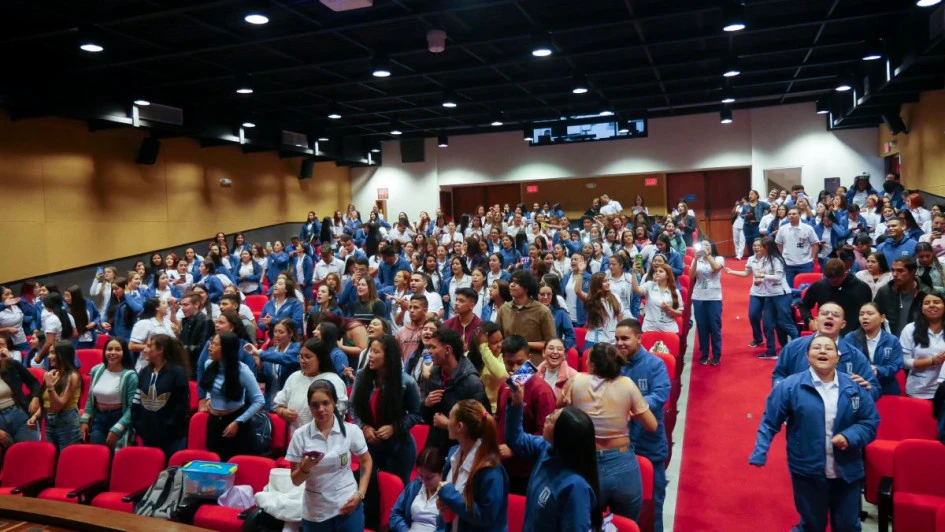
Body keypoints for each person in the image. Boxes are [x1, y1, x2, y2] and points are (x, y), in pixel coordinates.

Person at [750, 335, 879, 532]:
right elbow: (770, 421)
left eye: (829, 348)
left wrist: (849, 436)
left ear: (838, 357)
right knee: (812, 525)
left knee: (848, 526)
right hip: (807, 469)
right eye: (817, 347)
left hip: (847, 470)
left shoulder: (854, 387)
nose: (822, 351)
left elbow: (870, 421)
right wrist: (760, 451)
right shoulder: (790, 386)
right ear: (807, 356)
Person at [565, 343, 657, 521]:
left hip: (586, 462)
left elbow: (561, 407)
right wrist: (631, 413)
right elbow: (652, 425)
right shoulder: (627, 384)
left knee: (583, 524)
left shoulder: (577, 380)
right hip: (622, 465)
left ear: (592, 365)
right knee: (627, 526)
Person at [505, 381, 602, 531]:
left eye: (551, 420)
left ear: (562, 435)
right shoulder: (546, 449)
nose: (546, 418)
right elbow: (515, 439)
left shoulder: (576, 488)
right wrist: (516, 404)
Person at [287, 380, 373, 532]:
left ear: (334, 403)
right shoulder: (300, 435)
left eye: (325, 403)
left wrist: (360, 494)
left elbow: (366, 461)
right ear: (309, 407)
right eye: (315, 405)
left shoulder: (351, 431)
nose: (321, 409)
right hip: (316, 513)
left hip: (348, 505)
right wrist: (305, 469)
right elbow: (295, 481)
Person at [615, 318, 671, 532]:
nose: (619, 343)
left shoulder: (655, 364)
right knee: (623, 507)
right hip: (619, 447)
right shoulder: (614, 364)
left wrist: (634, 405)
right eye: (617, 339)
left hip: (649, 446)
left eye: (625, 338)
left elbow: (660, 395)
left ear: (639, 338)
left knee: (652, 506)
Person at [350, 334, 422, 484]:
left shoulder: (406, 382)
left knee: (396, 489)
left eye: (376, 352)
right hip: (370, 444)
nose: (370, 355)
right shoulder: (362, 376)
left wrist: (394, 428)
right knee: (371, 489)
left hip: (399, 447)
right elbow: (353, 407)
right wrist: (363, 426)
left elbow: (416, 413)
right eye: (370, 350)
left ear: (388, 356)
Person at [772, 303, 881, 400]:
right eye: (824, 313)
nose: (829, 316)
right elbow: (779, 375)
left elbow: (874, 388)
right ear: (816, 320)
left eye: (836, 315)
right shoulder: (794, 347)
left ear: (843, 324)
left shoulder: (855, 355)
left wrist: (865, 391)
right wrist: (783, 391)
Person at [493, 335, 556, 494]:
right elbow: (498, 419)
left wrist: (513, 449)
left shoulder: (542, 391)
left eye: (519, 363)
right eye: (509, 363)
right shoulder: (504, 386)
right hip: (501, 466)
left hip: (527, 471)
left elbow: (546, 436)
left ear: (529, 359)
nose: (514, 369)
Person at [435, 399, 510, 532]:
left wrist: (451, 496)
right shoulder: (453, 454)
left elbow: (486, 516)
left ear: (459, 426)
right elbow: (451, 504)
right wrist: (444, 503)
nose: (447, 420)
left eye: (450, 417)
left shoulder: (490, 468)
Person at [420, 327, 489, 455]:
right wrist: (426, 404)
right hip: (435, 448)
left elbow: (480, 426)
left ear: (447, 350)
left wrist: (448, 425)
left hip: (460, 451)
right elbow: (425, 417)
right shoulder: (434, 375)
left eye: (433, 347)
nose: (429, 351)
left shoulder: (472, 384)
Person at [199, 332, 265, 460]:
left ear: (226, 349)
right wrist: (209, 397)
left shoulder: (242, 370)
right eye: (211, 343)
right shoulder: (209, 364)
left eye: (214, 345)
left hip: (236, 421)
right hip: (214, 421)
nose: (210, 348)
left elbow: (259, 400)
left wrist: (238, 422)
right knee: (215, 461)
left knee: (236, 462)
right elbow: (209, 383)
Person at [273, 338, 348, 434]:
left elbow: (340, 412)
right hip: (298, 437)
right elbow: (278, 405)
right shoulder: (294, 377)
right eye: (300, 357)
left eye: (308, 357)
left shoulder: (333, 380)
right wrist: (283, 412)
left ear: (320, 358)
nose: (302, 361)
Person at [133, 335, 190, 460]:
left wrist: (169, 425)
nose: (145, 350)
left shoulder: (177, 373)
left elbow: (181, 405)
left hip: (171, 436)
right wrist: (139, 425)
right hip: (147, 433)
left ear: (160, 350)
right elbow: (137, 400)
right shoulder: (145, 371)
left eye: (149, 346)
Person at [79, 337, 137, 448]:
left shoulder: (130, 376)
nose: (112, 353)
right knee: (97, 454)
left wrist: (117, 429)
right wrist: (85, 419)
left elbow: (131, 408)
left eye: (117, 349)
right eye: (109, 349)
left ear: (124, 352)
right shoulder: (96, 370)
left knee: (116, 456)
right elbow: (91, 398)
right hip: (99, 419)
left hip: (119, 418)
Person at [29, 341, 82, 451]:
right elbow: (46, 402)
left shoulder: (73, 376)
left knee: (66, 456)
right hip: (50, 422)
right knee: (51, 455)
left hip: (67, 423)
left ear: (63, 355)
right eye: (49, 353)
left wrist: (50, 386)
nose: (49, 356)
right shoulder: (52, 374)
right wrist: (35, 416)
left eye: (53, 353)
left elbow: (58, 406)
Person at [843, 303, 903, 396]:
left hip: (887, 389)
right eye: (861, 314)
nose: (864, 317)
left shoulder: (892, 340)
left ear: (882, 318)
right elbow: (844, 363)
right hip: (858, 389)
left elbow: (896, 365)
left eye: (870, 314)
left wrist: (878, 370)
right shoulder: (850, 338)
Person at [799, 259, 872, 335]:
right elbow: (803, 305)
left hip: (853, 334)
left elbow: (867, 312)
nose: (832, 283)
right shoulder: (819, 286)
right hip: (825, 332)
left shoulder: (861, 288)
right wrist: (809, 320)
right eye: (829, 280)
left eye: (836, 281)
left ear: (845, 273)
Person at [496, 271, 557, 357]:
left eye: (517, 282)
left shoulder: (542, 311)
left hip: (533, 360)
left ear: (526, 288)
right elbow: (498, 338)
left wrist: (522, 344)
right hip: (508, 359)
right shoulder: (504, 309)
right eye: (511, 282)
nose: (512, 285)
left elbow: (551, 343)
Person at [899, 292, 945, 399]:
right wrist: (932, 361)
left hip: (943, 391)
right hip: (919, 390)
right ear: (922, 309)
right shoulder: (910, 329)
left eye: (936, 302)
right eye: (927, 303)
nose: (931, 305)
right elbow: (903, 362)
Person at [389, 447, 444, 532]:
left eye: (429, 478)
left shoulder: (447, 495)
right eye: (421, 476)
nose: (424, 481)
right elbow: (395, 514)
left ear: (441, 473)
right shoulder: (414, 486)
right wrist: (405, 530)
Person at [874, 257, 931, 338]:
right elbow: (875, 316)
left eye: (900, 271)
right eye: (893, 270)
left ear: (913, 272)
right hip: (890, 341)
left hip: (917, 340)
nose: (894, 274)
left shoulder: (925, 293)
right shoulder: (884, 292)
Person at [690, 240, 724, 365]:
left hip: (714, 297)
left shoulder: (719, 258)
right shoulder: (697, 260)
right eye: (702, 245)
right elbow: (691, 276)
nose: (704, 247)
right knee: (702, 327)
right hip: (698, 296)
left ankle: (716, 355)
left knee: (714, 327)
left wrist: (707, 255)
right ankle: (704, 354)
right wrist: (695, 259)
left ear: (711, 247)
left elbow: (715, 268)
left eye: (707, 245)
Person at [0, 342, 41, 445]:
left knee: (30, 450)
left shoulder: (11, 365)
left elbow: (34, 383)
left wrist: (35, 398)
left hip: (19, 413)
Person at [631, 262, 683, 334]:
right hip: (649, 328)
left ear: (667, 276)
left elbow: (680, 313)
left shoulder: (675, 291)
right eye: (656, 271)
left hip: (668, 329)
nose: (657, 273)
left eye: (661, 271)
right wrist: (633, 273)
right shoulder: (650, 285)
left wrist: (669, 309)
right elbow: (636, 289)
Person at [776, 207, 820, 288]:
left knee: (806, 289)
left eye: (794, 214)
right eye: (789, 214)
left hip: (805, 263)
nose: (791, 216)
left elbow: (815, 244)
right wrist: (782, 257)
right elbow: (779, 244)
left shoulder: (808, 228)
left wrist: (812, 258)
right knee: (789, 289)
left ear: (800, 215)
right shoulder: (782, 229)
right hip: (788, 264)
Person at [537, 276, 577, 351]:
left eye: (549, 294)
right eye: (542, 294)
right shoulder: (531, 312)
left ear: (553, 295)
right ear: (537, 295)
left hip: (553, 352)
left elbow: (571, 336)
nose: (545, 297)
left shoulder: (561, 313)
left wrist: (561, 347)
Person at [535, 338, 578, 406]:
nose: (555, 352)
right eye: (551, 348)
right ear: (543, 353)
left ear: (565, 355)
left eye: (559, 349)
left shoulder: (574, 377)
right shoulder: (534, 374)